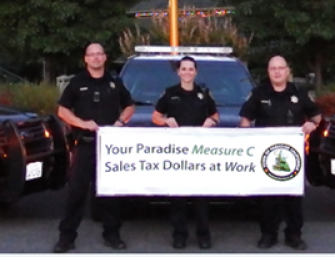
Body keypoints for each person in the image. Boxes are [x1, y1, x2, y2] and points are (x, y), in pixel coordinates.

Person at [54, 42, 135, 253]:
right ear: (86, 59)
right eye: (92, 55)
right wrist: (82, 123)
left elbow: (130, 106)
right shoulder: (77, 82)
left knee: (109, 194)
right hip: (85, 144)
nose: (97, 58)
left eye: (100, 54)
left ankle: (112, 235)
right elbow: (63, 110)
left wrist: (121, 121)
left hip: (109, 148)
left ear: (105, 58)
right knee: (76, 193)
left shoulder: (115, 82)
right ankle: (66, 237)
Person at [239, 56, 321, 250]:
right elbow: (245, 120)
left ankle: (294, 235)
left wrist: (312, 123)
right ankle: (268, 234)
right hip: (265, 154)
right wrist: (246, 139)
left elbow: (317, 116)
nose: (277, 72)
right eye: (273, 68)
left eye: (280, 68)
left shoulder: (299, 93)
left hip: (293, 156)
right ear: (268, 72)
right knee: (268, 198)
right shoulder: (259, 94)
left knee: (293, 198)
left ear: (287, 71)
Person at [152, 56, 219, 249]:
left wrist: (212, 121)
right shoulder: (170, 93)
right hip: (177, 152)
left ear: (196, 72)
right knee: (178, 197)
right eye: (184, 69)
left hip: (200, 152)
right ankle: (179, 235)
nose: (187, 72)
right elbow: (155, 116)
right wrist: (165, 121)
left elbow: (215, 114)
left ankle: (203, 235)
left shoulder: (204, 93)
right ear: (178, 72)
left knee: (201, 197)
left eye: (191, 69)